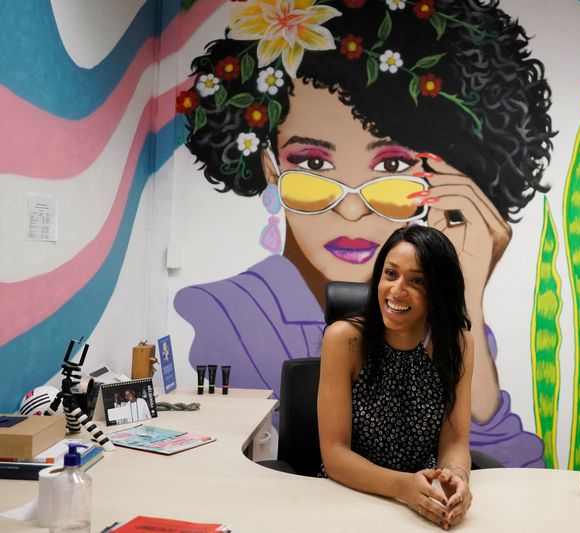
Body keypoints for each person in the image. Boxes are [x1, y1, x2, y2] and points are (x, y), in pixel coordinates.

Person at [175, 0, 553, 467]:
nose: (352, 208)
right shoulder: (224, 315)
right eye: (312, 164)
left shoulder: (448, 337)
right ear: (270, 168)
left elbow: (502, 467)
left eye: (392, 167)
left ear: (437, 185)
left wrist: (465, 296)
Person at [318, 225, 472, 529]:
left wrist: (457, 477)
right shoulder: (345, 339)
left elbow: (454, 439)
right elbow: (335, 454)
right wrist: (402, 487)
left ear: (439, 292)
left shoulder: (456, 344)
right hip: (348, 497)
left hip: (422, 500)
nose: (397, 290)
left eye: (417, 281)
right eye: (390, 274)